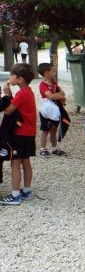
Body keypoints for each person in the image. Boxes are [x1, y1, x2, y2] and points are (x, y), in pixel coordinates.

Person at [0, 64, 37, 205]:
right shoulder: (28, 91)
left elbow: (8, 111)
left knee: (15, 163)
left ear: (20, 79)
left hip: (20, 133)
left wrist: (8, 95)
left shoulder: (21, 94)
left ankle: (15, 195)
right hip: (29, 133)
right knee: (25, 161)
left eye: (11, 75)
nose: (9, 78)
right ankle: (26, 191)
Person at [37, 63, 66, 156]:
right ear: (46, 73)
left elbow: (62, 92)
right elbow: (50, 96)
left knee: (54, 128)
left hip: (54, 109)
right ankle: (42, 148)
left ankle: (54, 149)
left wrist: (58, 96)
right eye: (53, 71)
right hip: (46, 109)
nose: (54, 73)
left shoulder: (53, 83)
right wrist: (59, 96)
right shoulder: (42, 85)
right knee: (45, 129)